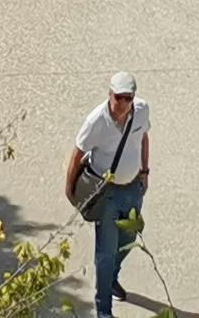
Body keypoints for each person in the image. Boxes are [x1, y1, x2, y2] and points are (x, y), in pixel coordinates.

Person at [67, 72, 153, 318]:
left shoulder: (142, 111)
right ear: (110, 95)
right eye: (119, 98)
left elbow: (144, 137)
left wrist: (145, 171)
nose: (123, 104)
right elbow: (77, 154)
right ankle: (104, 310)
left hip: (133, 187)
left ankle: (112, 277)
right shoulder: (96, 121)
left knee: (129, 239)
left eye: (128, 98)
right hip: (107, 192)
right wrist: (70, 190)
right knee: (105, 251)